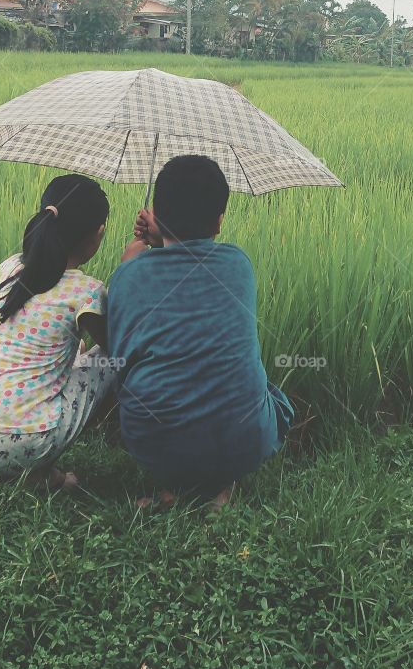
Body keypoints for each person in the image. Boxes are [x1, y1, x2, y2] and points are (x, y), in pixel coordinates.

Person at [107, 154, 293, 508]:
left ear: (157, 214)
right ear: (220, 221)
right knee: (271, 396)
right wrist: (164, 236)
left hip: (153, 439)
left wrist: (131, 259)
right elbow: (190, 269)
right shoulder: (239, 265)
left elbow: (122, 350)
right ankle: (221, 487)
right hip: (244, 439)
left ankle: (172, 489)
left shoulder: (129, 275)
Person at [0, 174, 116, 492]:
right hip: (26, 442)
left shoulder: (10, 268)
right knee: (113, 359)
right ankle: (42, 473)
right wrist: (133, 263)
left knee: (67, 348)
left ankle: (26, 469)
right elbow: (116, 344)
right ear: (99, 232)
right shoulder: (86, 292)